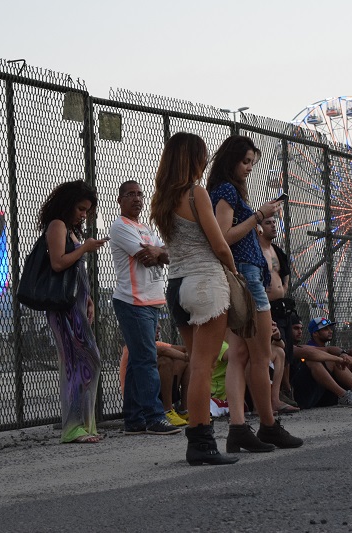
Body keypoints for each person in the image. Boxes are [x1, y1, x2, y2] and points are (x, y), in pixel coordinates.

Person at [207, 135, 303, 453]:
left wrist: (256, 224)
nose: (249, 168)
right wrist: (258, 217)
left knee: (239, 355)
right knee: (260, 357)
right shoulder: (226, 190)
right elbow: (223, 236)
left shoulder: (224, 190)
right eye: (245, 161)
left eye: (252, 162)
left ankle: (238, 427)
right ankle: (268, 425)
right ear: (231, 159)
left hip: (242, 275)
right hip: (247, 277)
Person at [150, 131, 238, 465]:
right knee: (205, 364)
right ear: (194, 159)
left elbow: (174, 249)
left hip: (176, 286)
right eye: (202, 155)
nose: (206, 162)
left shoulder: (162, 200)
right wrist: (234, 272)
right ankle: (202, 442)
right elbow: (218, 244)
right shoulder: (196, 193)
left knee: (196, 362)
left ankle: (198, 440)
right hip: (205, 283)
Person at [110, 180, 182, 437]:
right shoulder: (120, 227)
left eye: (140, 194)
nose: (137, 199)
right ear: (120, 200)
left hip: (151, 303)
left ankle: (134, 418)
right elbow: (148, 255)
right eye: (130, 194)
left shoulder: (146, 228)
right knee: (145, 360)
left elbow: (166, 253)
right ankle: (154, 416)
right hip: (132, 301)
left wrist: (158, 251)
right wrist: (158, 252)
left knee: (137, 362)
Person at [40, 180, 108, 443]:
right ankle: (73, 427)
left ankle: (84, 425)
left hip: (77, 306)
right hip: (63, 308)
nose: (83, 214)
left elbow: (77, 270)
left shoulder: (70, 230)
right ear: (68, 204)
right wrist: (85, 248)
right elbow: (58, 263)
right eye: (80, 208)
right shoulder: (57, 226)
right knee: (75, 363)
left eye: (87, 210)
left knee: (87, 361)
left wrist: (88, 298)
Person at [258, 215, 298, 408]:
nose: (273, 226)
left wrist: (284, 287)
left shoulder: (277, 251)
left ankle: (285, 389)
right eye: (268, 223)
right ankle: (274, 394)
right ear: (258, 227)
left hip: (281, 304)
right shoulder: (256, 251)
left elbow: (285, 272)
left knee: (286, 347)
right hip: (266, 307)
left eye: (274, 222)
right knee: (272, 348)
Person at [288, 317, 352, 408]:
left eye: (301, 329)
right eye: (296, 328)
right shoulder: (291, 348)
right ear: (315, 333)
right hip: (298, 395)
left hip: (320, 394)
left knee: (351, 361)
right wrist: (339, 359)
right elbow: (311, 354)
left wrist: (347, 356)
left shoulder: (302, 346)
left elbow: (331, 349)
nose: (330, 331)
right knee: (318, 361)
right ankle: (347, 394)